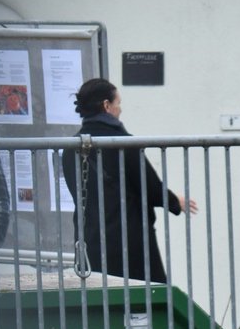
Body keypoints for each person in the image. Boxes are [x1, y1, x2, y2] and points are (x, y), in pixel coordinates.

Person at [61, 78, 197, 283]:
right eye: (118, 103)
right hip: (129, 240)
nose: (120, 109)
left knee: (102, 303)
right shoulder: (122, 143)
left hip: (90, 239)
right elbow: (149, 186)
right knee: (148, 300)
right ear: (106, 105)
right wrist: (174, 201)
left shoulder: (71, 148)